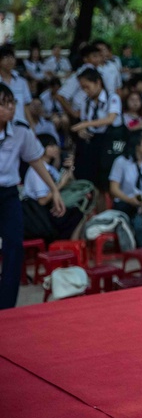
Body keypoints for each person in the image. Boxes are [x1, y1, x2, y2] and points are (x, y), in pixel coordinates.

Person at [0, 84, 64, 309]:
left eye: (11, 103)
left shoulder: (21, 132)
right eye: (3, 103)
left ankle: (6, 305)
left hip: (8, 195)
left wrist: (54, 190)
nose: (10, 108)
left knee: (15, 245)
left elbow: (36, 161)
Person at [108, 130, 142, 242]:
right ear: (138, 145)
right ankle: (128, 243)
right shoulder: (121, 162)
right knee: (121, 209)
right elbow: (113, 188)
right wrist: (130, 200)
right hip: (127, 199)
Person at [0, 45, 32, 124]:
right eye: (5, 57)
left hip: (20, 124)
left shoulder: (22, 81)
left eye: (12, 57)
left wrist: (31, 124)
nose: (9, 60)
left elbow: (26, 106)